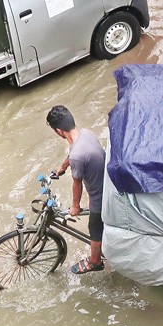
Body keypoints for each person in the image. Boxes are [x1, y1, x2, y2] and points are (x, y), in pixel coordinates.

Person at [46, 105, 106, 274]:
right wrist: (62, 167)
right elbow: (72, 154)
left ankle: (95, 261)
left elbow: (77, 184)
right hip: (106, 181)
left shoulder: (77, 155)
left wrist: (75, 206)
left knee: (94, 227)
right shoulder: (85, 134)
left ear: (58, 131)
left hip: (100, 196)